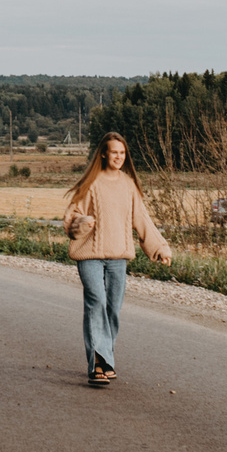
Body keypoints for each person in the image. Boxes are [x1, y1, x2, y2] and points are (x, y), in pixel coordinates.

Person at [63, 132, 173, 387]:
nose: (119, 157)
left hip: (118, 258)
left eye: (122, 153)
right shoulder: (90, 183)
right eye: (114, 152)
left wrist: (160, 249)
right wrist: (83, 223)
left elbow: (142, 220)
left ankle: (104, 360)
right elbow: (70, 220)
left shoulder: (128, 185)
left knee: (112, 308)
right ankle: (99, 365)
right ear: (104, 153)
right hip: (89, 256)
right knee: (96, 302)